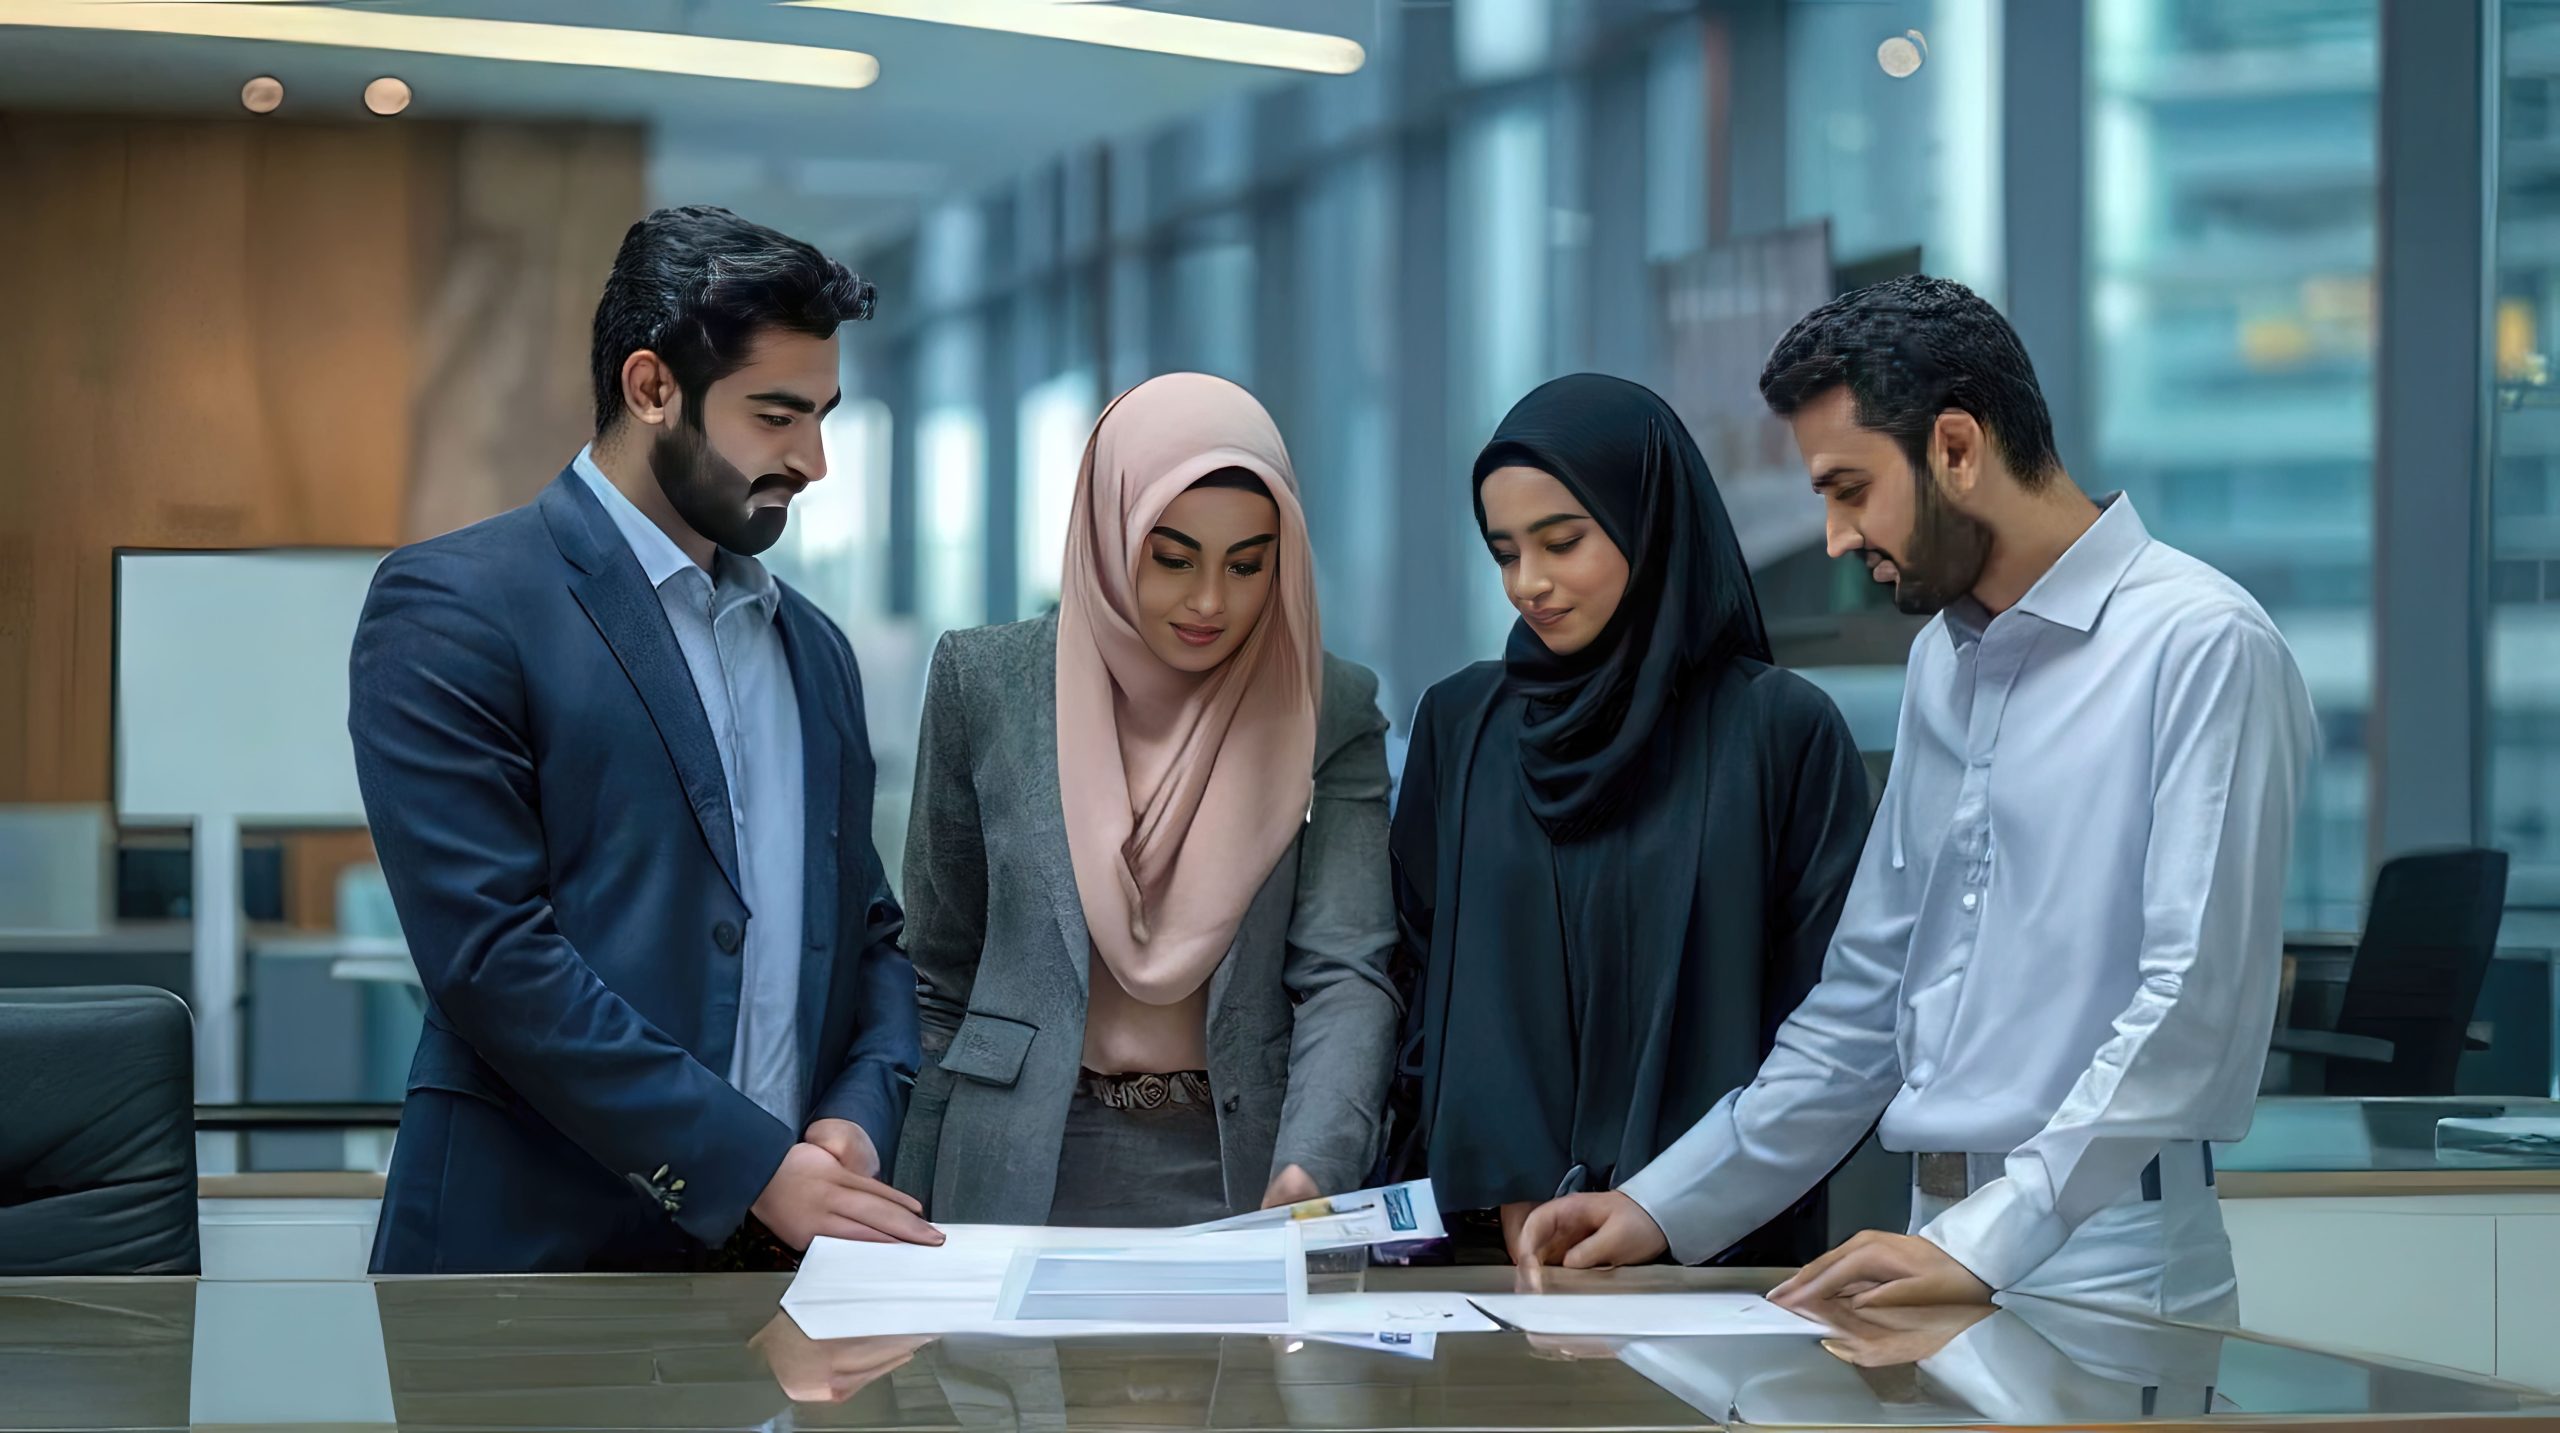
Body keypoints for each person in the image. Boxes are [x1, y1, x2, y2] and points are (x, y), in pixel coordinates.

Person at [1516, 276, 2317, 1322]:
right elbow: (1862, 1006)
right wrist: (1661, 1204)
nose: (1838, 537)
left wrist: (1995, 1238)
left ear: (1953, 447)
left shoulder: (2203, 644)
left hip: (2106, 1256)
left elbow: (2188, 1011)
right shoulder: (1944, 662)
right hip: (1924, 1245)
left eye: (1849, 487)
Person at [351, 206, 937, 1272]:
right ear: (651, 387)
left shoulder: (814, 649)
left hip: (783, 1271)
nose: (813, 460)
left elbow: (868, 936)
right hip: (524, 1271)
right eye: (776, 414)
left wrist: (854, 1120)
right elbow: (491, 959)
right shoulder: (453, 605)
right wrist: (752, 1164)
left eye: (824, 415)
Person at [1380, 373, 1872, 1265]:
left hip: (1714, 1265)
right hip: (1492, 1272)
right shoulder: (1460, 729)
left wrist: (1669, 1205)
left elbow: (1834, 1032)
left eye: (1563, 542)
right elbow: (1416, 997)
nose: (1529, 583)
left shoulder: (1779, 735)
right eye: (1504, 552)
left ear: (1652, 524)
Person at [892, 372, 1400, 1226]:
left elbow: (1347, 972)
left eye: (1248, 565)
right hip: (1011, 1168)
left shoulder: (1324, 705)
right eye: (1171, 558)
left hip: (1246, 1172)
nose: (1210, 601)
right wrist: (902, 1188)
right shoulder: (987, 684)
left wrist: (1315, 1167)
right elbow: (938, 971)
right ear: (1107, 532)